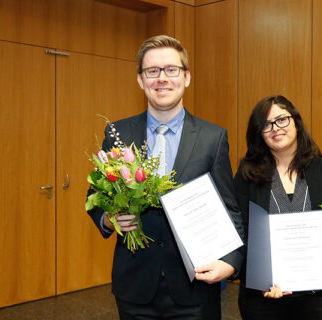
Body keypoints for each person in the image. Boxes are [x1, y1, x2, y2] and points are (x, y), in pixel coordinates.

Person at [86, 35, 244, 319]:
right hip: (134, 286)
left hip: (194, 285)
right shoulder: (117, 134)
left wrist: (231, 263)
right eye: (152, 71)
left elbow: (229, 208)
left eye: (171, 69)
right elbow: (94, 198)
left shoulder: (212, 137)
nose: (162, 78)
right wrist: (108, 218)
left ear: (186, 77)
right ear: (140, 80)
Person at [234, 95, 322, 320]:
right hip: (264, 294)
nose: (275, 128)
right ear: (259, 133)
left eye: (281, 120)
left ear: (295, 121)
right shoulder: (247, 171)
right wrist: (259, 277)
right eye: (266, 125)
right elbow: (240, 229)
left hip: (314, 293)